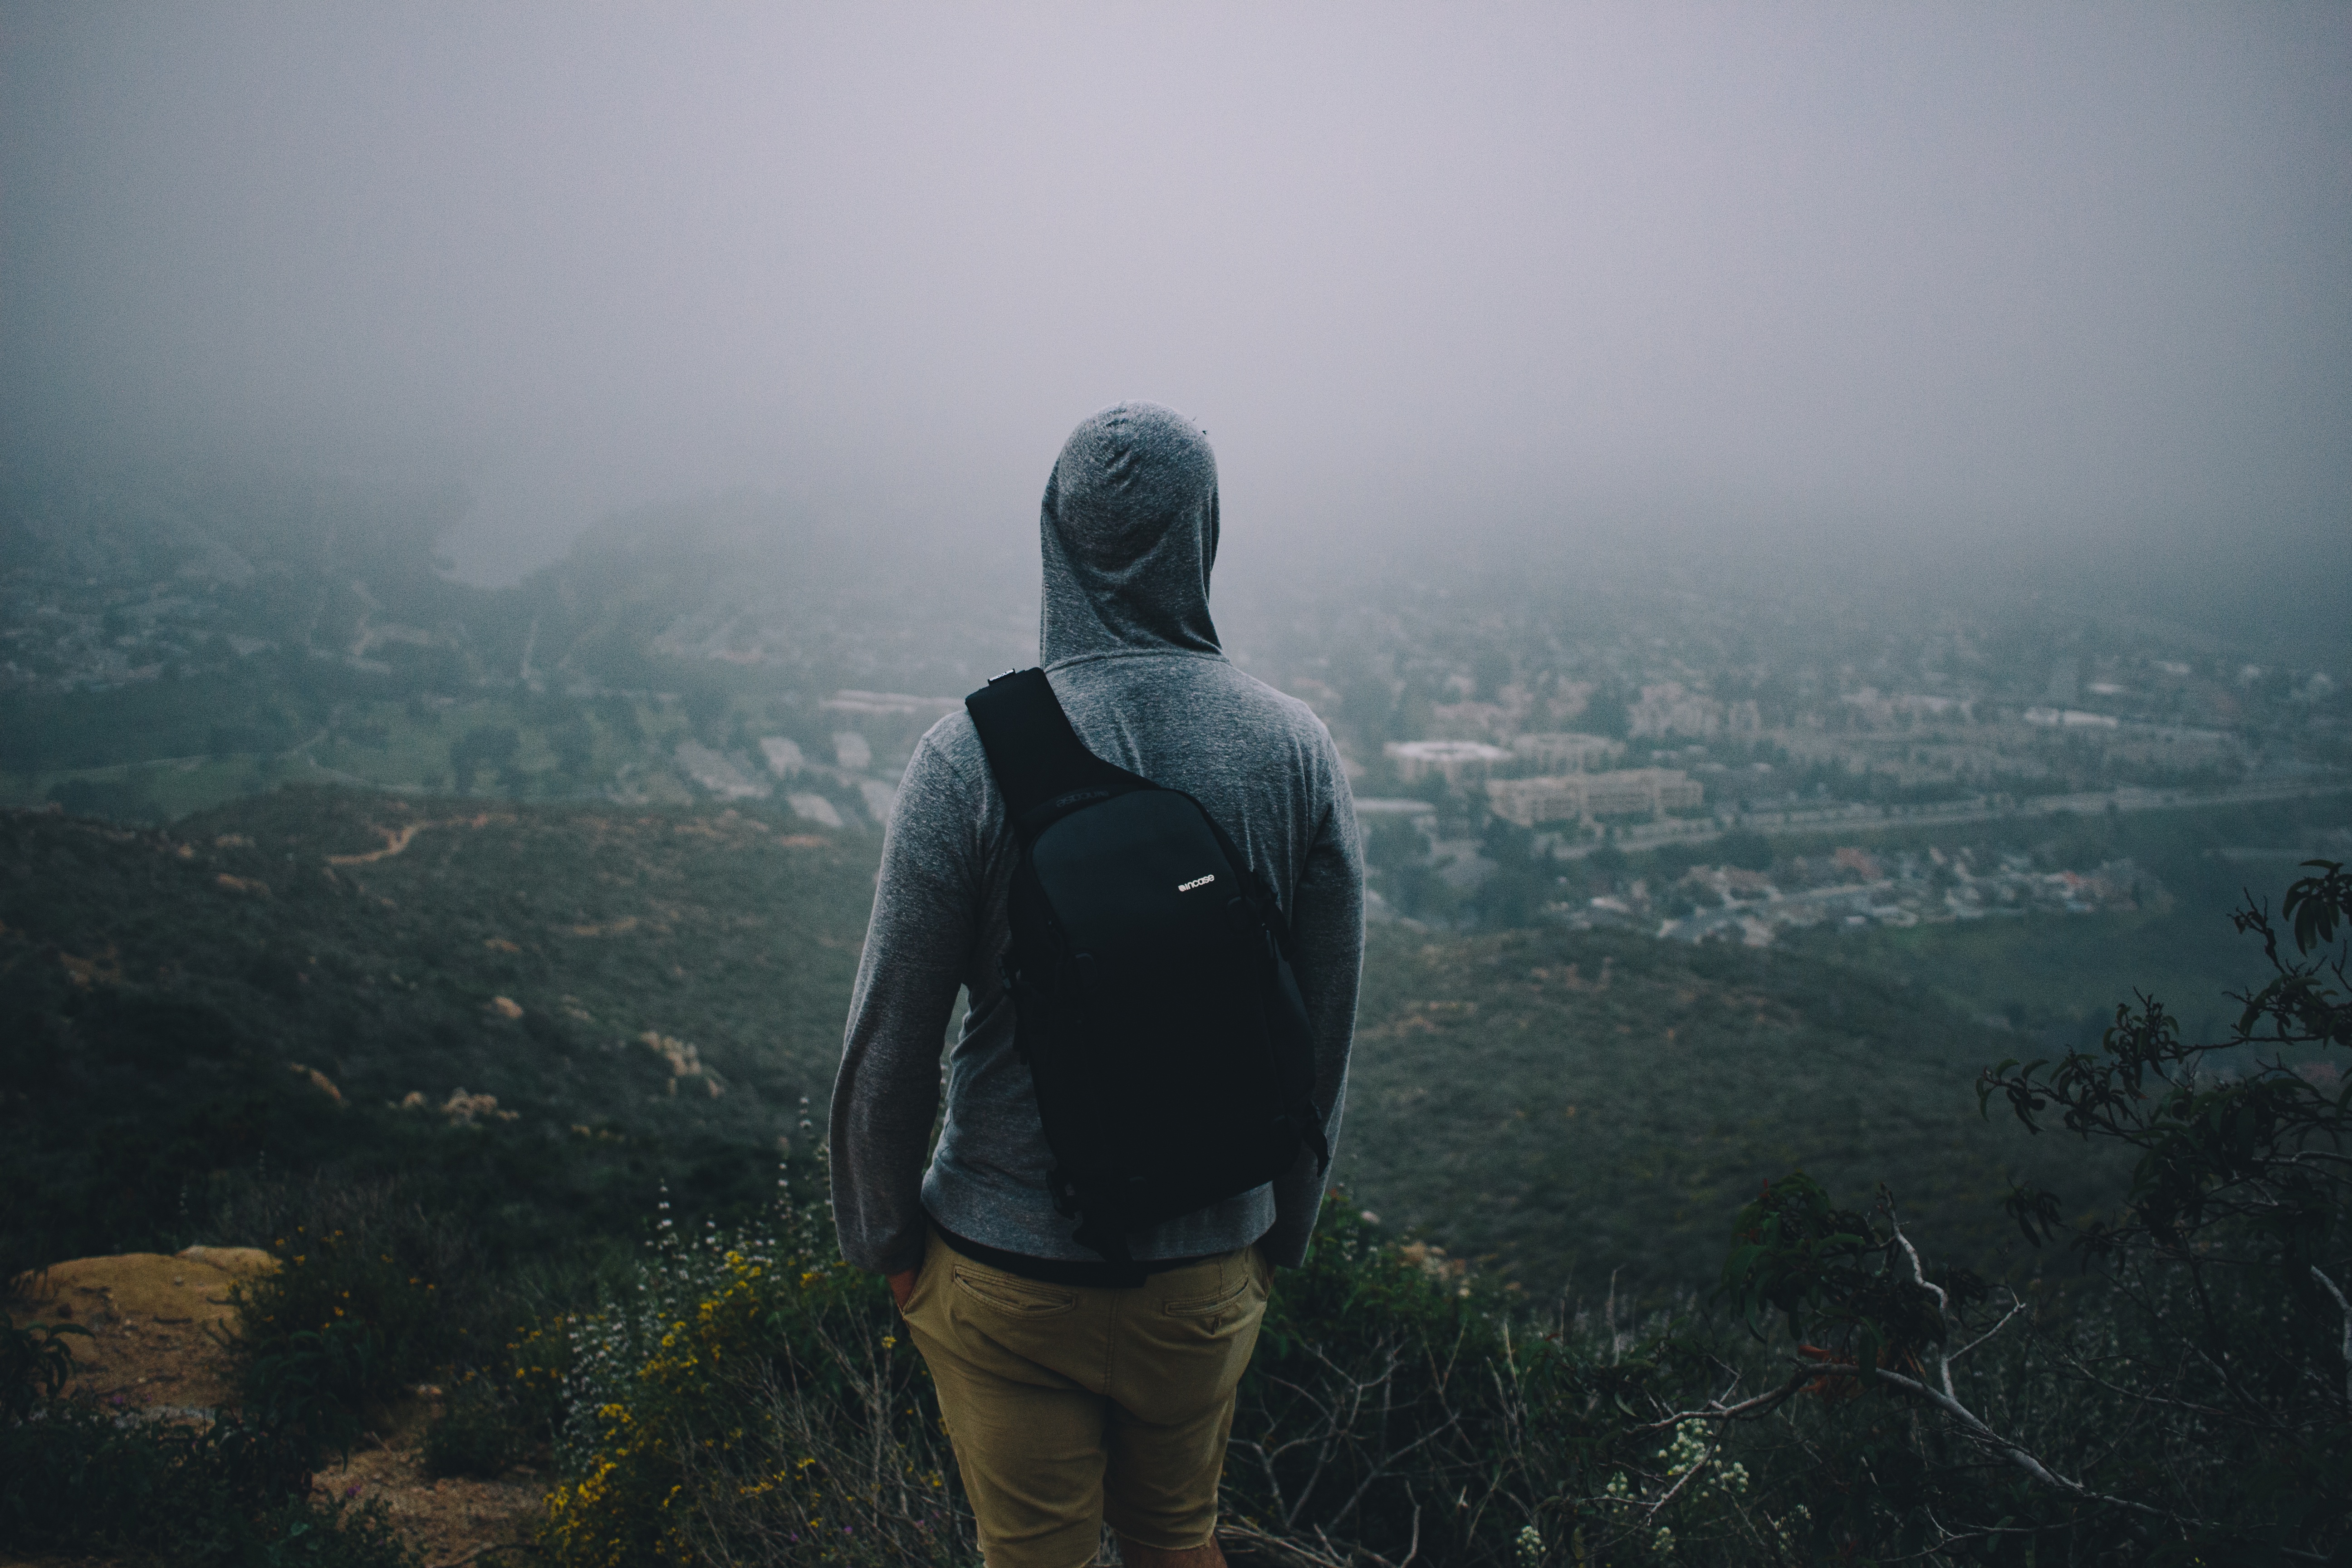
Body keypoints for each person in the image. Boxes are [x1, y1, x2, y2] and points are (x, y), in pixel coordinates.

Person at [829, 401, 1364, 1568]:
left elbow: (891, 1039)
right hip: (1206, 1271)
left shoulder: (967, 754)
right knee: (1178, 1544)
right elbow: (1321, 1034)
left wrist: (891, 1247)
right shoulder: (1294, 750)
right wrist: (1280, 1236)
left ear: (1053, 539)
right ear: (1203, 535)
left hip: (1003, 1272)